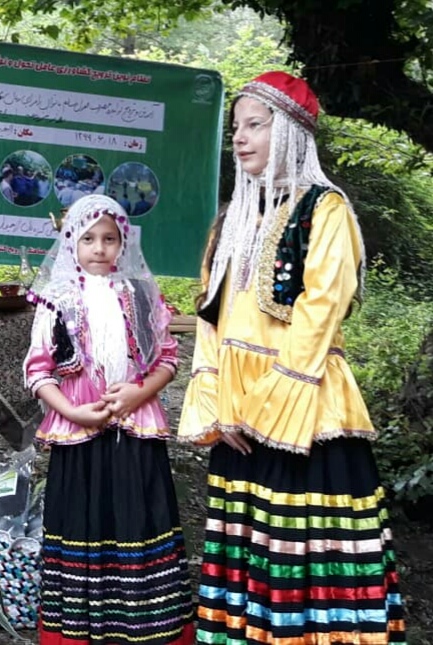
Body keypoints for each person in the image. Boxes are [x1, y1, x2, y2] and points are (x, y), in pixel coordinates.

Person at [179, 71, 405, 643]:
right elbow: (210, 315)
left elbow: (320, 311)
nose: (241, 137)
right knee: (252, 549)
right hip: (236, 420)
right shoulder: (230, 220)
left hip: (304, 411)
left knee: (305, 549)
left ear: (294, 132)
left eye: (256, 125)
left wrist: (264, 405)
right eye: (237, 127)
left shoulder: (325, 210)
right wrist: (219, 407)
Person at [23, 194, 194, 645]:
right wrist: (72, 411)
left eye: (110, 239)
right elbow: (38, 371)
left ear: (124, 244)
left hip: (137, 430)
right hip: (79, 432)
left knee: (139, 516)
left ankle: (144, 629)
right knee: (83, 519)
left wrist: (140, 391)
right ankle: (79, 630)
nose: (99, 248)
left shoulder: (142, 295)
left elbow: (168, 359)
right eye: (88, 239)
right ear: (70, 243)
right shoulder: (55, 301)